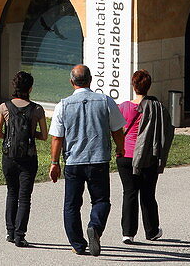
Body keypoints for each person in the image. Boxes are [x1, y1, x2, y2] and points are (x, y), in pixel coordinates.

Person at [49, 65, 125, 257]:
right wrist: (120, 147)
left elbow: (57, 137)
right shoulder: (105, 100)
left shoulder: (63, 105)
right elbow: (117, 129)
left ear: (71, 82)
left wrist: (55, 162)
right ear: (91, 80)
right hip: (98, 160)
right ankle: (95, 227)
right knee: (101, 200)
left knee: (72, 204)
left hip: (74, 161)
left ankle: (77, 243)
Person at [116, 70, 174, 244]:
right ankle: (152, 231)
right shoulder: (158, 108)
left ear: (133, 86)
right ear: (149, 86)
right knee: (148, 194)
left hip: (125, 155)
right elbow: (167, 131)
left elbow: (116, 130)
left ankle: (128, 233)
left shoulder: (123, 107)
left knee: (129, 193)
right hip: (148, 156)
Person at [0, 70, 48, 248]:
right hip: (29, 157)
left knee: (11, 192)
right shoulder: (37, 109)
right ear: (30, 88)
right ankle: (20, 235)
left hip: (9, 157)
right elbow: (44, 136)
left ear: (14, 86)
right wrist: (31, 133)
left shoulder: (4, 107)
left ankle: (10, 232)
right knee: (24, 197)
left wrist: (11, 137)